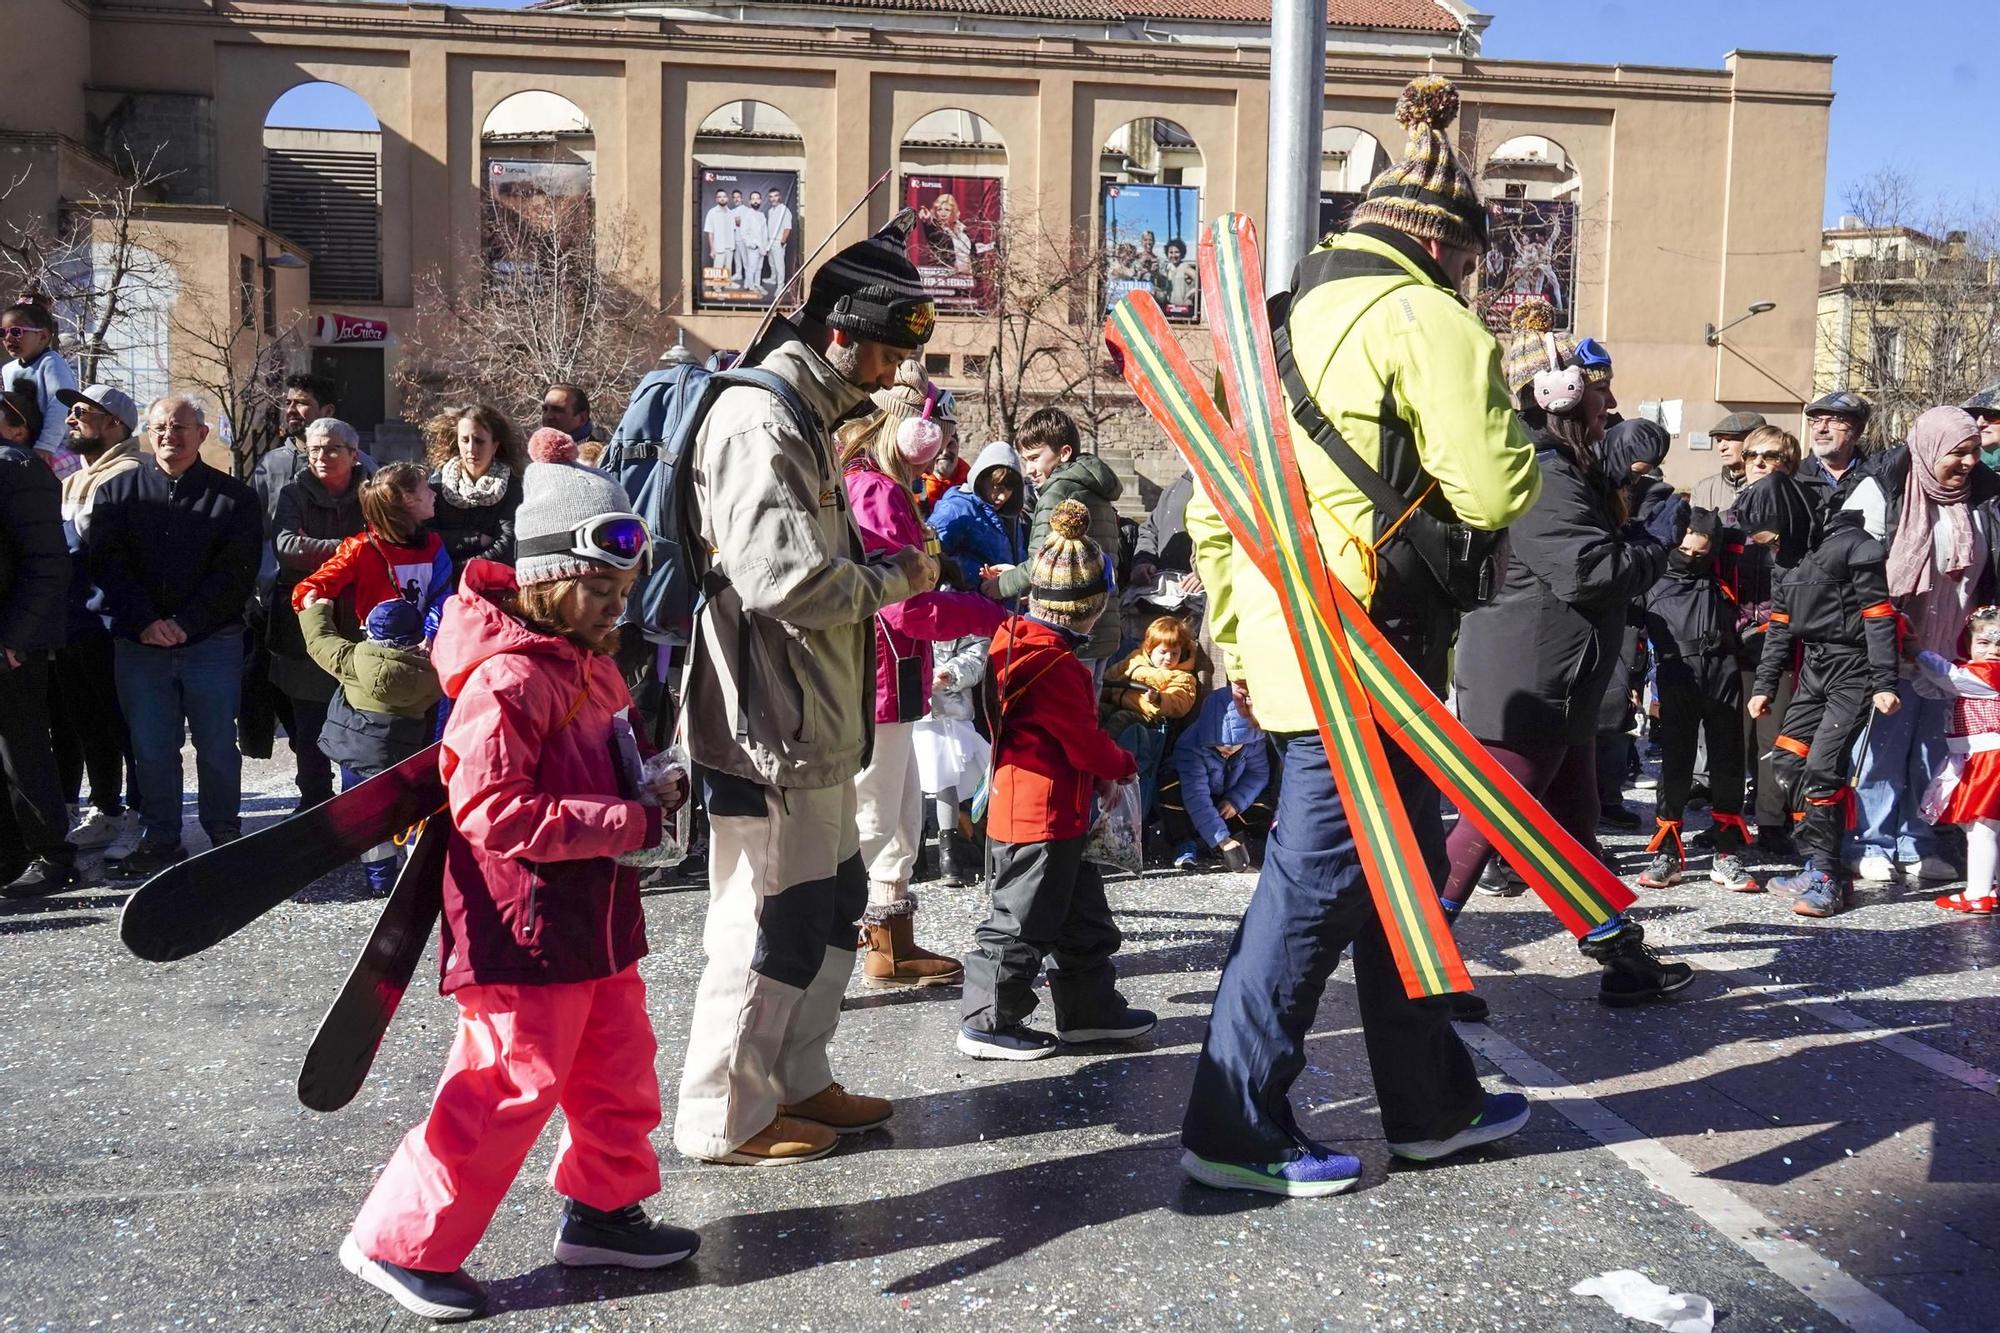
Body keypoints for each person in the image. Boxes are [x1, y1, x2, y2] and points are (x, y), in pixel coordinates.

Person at [1179, 76, 1541, 1197]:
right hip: (1370, 655)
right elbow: (1488, 492)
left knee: (1398, 884)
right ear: (1447, 242)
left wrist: (1243, 638)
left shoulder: (1276, 324)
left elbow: (1210, 501)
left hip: (1294, 644)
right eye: (1472, 261)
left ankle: (1432, 1104)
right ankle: (1231, 1123)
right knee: (1321, 883)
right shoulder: (1426, 316)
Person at [340, 432, 698, 1322]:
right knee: (508, 1080)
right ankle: (398, 1241)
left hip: (594, 913)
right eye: (602, 588)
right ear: (546, 577)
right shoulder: (504, 680)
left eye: (624, 591)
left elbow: (616, 758)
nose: (618, 606)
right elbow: (493, 811)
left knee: (616, 1065)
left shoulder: (590, 661)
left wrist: (654, 776)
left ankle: (605, 1210)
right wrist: (632, 818)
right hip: (524, 925)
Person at [673, 214, 939, 1168]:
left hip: (817, 714)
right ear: (840, 335)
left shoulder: (810, 416)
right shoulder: (761, 418)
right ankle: (724, 1114)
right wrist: (897, 578)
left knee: (828, 907)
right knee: (763, 918)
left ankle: (795, 1076)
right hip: (766, 719)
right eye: (883, 354)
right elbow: (780, 580)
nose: (889, 377)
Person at [1443, 301, 1680, 1014]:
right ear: (1559, 396)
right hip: (1533, 684)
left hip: (1559, 684)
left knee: (1573, 830)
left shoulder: (1563, 463)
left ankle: (1621, 957)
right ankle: (1413, 966)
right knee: (1481, 828)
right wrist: (1656, 543)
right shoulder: (1541, 473)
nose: (1609, 399)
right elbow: (1588, 570)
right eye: (1597, 388)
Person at [958, 500, 1151, 1059]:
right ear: (1088, 610)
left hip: (1046, 806)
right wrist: (1118, 766)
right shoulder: (1059, 666)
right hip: (1040, 815)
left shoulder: (1016, 640)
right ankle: (987, 1020)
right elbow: (1081, 740)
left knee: (1079, 914)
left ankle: (1089, 1011)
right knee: (1021, 922)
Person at [839, 365, 1005, 987]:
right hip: (882, 674)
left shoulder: (878, 486)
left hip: (894, 672)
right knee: (876, 815)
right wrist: (987, 611)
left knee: (900, 810)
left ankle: (889, 941)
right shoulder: (876, 491)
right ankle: (837, 943)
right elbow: (904, 604)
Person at [86, 395, 260, 876]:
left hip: (211, 643)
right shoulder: (117, 493)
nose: (169, 435)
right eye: (159, 426)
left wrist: (188, 622)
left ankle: (223, 830)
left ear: (202, 434)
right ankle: (161, 834)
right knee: (152, 747)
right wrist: (145, 620)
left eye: (180, 426)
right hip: (139, 645)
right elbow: (107, 564)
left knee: (218, 744)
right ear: (147, 432)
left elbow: (235, 574)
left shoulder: (235, 498)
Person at [1844, 406, 1998, 885]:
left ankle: (1918, 840)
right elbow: (1854, 567)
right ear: (1931, 448)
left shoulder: (1982, 498)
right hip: (1892, 644)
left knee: (1938, 753)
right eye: (1960, 452)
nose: (1971, 462)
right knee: (1880, 751)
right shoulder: (1883, 489)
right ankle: (1869, 842)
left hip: (1951, 649)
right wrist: (1890, 628)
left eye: (1975, 451)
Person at [1749, 502, 1902, 918]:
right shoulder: (1790, 560)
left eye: (1776, 540)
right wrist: (1763, 687)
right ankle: (1814, 861)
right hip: (1814, 667)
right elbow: (1780, 628)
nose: (1774, 549)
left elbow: (1878, 615)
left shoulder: (1856, 545)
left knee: (1822, 768)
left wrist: (1885, 682)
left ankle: (1829, 878)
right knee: (1786, 759)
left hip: (1853, 671)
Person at [1637, 510, 1754, 892]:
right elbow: (1633, 637)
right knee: (1675, 766)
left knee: (1728, 762)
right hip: (1676, 675)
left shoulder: (1723, 576)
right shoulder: (1652, 579)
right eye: (1684, 549)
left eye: (1700, 553)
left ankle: (1726, 851)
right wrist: (1637, 684)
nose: (1690, 557)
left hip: (1722, 671)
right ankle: (1667, 853)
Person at [50, 385, 142, 852]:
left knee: (125, 724)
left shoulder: (128, 474)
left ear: (114, 424)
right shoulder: (75, 479)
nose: (71, 417)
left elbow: (97, 553)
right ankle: (106, 809)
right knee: (88, 724)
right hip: (74, 625)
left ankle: (141, 816)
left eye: (82, 411)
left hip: (113, 626)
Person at [301, 595, 442, 891]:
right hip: (405, 756)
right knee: (408, 811)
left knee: (368, 818)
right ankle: (415, 873)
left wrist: (317, 607)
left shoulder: (352, 661)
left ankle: (380, 879)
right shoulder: (431, 673)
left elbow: (318, 640)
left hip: (357, 759)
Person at [266, 417, 367, 811]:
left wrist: (324, 552)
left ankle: (359, 806)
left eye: (332, 449)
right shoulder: (293, 493)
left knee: (360, 723)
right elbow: (288, 546)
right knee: (308, 727)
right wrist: (350, 550)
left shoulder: (370, 492)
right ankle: (315, 806)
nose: (322, 456)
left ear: (353, 455)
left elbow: (383, 541)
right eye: (315, 450)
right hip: (307, 621)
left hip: (359, 621)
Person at [0, 388, 76, 897]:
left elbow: (47, 564)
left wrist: (14, 638)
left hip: (9, 644)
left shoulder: (16, 467)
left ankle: (53, 855)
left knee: (22, 752)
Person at [985, 408, 1123, 685]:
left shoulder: (1059, 491)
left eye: (1035, 458)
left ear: (1064, 452)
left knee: (1060, 718)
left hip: (1069, 632)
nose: (1030, 470)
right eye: (1025, 460)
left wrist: (997, 586)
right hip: (1102, 628)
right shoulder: (1094, 486)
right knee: (1085, 718)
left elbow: (1040, 564)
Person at [1912, 624, 2000, 914]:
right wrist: (1914, 662)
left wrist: (1917, 651)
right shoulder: (1972, 675)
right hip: (1976, 757)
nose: (1994, 650)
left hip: (1991, 759)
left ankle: (1978, 892)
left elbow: (1948, 676)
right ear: (1968, 643)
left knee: (1981, 830)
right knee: (1984, 828)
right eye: (1985, 642)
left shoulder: (1987, 675)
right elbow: (1931, 685)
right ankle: (1989, 887)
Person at [1161, 688, 1271, 873]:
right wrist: (1222, 839)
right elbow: (1196, 797)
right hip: (1191, 797)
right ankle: (1185, 842)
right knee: (1169, 788)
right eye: (1222, 744)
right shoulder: (1191, 745)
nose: (1228, 749)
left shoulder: (1251, 742)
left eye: (1234, 745)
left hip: (1226, 795)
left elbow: (1258, 774)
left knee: (1263, 804)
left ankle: (1225, 838)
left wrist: (1236, 801)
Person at [427, 404, 525, 579]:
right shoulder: (438, 483)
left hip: (491, 582)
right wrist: (475, 539)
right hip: (442, 581)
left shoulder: (511, 487)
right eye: (465, 440)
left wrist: (463, 570)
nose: (471, 449)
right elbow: (428, 537)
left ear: (495, 446)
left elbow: (508, 544)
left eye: (479, 441)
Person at [0, 293, 81, 477]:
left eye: (16, 332)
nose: (8, 338)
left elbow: (60, 405)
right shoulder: (8, 369)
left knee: (35, 475)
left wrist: (46, 444)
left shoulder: (51, 363)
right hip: (28, 443)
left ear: (43, 336)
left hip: (57, 443)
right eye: (2, 332)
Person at [930, 440, 1027, 589]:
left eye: (1008, 490)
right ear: (981, 479)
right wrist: (975, 577)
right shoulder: (957, 507)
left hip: (1005, 607)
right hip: (967, 604)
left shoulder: (1010, 517)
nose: (1002, 497)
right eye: (998, 488)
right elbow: (930, 558)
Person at [1799, 390, 1874, 503]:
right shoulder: (1795, 476)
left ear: (1857, 431)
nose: (1821, 429)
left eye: (1834, 420)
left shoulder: (1875, 478)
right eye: (1817, 420)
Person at [1688, 410, 1767, 515]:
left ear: (1755, 442)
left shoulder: (1772, 488)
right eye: (1719, 440)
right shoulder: (1702, 489)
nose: (1722, 447)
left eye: (1730, 439)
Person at [541, 382, 609, 448]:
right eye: (545, 409)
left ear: (582, 418)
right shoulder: (539, 455)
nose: (548, 416)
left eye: (557, 410)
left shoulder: (602, 457)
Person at [736, 189, 771, 294]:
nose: (755, 201)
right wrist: (751, 244)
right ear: (750, 201)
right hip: (753, 247)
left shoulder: (761, 215)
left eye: (757, 199)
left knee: (759, 267)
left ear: (760, 201)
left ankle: (757, 285)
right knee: (752, 268)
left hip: (762, 247)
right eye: (753, 199)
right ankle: (751, 288)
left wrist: (765, 246)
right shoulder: (747, 215)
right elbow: (743, 232)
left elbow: (765, 232)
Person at [764, 185, 795, 294]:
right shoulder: (770, 211)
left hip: (778, 242)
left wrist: (782, 242)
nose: (773, 198)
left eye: (775, 196)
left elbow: (787, 228)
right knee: (771, 262)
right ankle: (773, 279)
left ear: (780, 197)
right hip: (769, 241)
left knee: (779, 265)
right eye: (771, 196)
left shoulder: (784, 210)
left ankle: (780, 286)